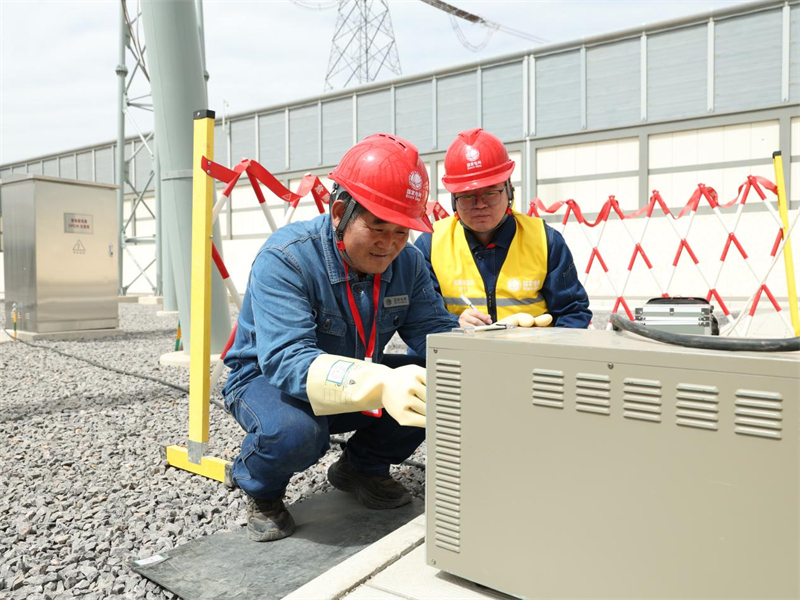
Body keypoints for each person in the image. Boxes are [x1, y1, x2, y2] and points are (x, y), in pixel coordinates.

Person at [222, 133, 463, 543]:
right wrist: (383, 383)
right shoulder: (287, 258)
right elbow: (287, 361)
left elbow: (438, 336)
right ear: (339, 212)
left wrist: (492, 353)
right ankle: (260, 486)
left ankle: (361, 467)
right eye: (378, 227)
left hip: (358, 370)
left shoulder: (408, 262)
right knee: (296, 433)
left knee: (442, 384)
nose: (390, 244)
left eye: (402, 231)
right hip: (267, 379)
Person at [414, 128, 591, 329]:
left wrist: (544, 344)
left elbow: (573, 313)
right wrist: (453, 323)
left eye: (490, 193)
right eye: (468, 196)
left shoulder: (546, 241)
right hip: (461, 349)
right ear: (454, 199)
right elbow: (420, 318)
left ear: (509, 191)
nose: (480, 204)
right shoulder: (431, 244)